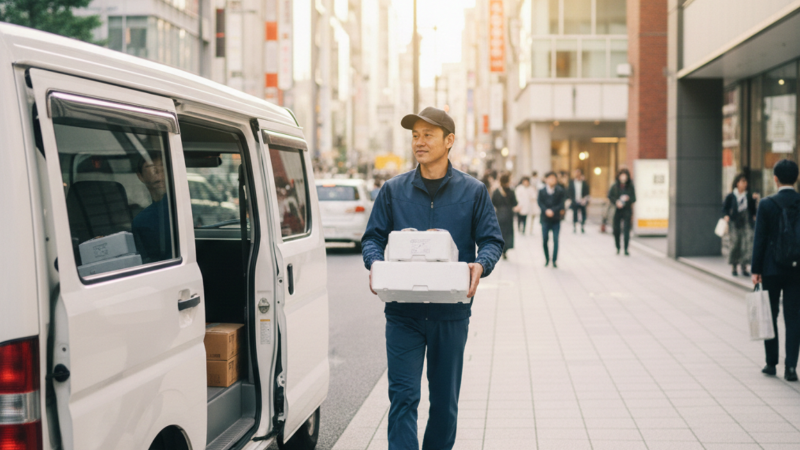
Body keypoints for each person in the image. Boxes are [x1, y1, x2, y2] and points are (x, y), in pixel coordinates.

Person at [361, 106, 504, 449]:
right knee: (403, 397)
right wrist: (375, 263)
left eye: (428, 135)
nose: (419, 142)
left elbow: (492, 240)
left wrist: (480, 265)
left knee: (444, 404)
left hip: (450, 314)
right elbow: (372, 238)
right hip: (403, 313)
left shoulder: (473, 191)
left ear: (449, 140)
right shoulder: (393, 190)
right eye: (415, 135)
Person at [751, 159, 800, 382]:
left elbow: (759, 239)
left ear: (775, 178)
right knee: (794, 317)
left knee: (770, 314)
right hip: (797, 269)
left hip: (771, 268)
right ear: (796, 178)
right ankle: (791, 367)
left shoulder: (766, 204)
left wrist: (755, 269)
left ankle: (771, 364)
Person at [132, 151, 172, 263]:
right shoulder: (141, 221)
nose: (159, 174)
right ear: (140, 176)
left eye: (163, 168)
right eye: (151, 168)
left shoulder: (183, 207)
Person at [722, 174, 758, 276]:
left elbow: (753, 210)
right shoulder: (731, 196)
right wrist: (726, 216)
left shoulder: (748, 196)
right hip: (735, 223)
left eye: (746, 182)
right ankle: (734, 266)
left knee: (746, 244)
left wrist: (754, 215)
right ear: (737, 183)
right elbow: (725, 209)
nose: (745, 184)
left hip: (747, 223)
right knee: (735, 244)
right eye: (743, 181)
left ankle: (744, 266)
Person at [538, 171, 566, 268]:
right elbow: (540, 203)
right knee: (545, 239)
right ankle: (547, 259)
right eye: (550, 178)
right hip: (545, 219)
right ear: (546, 179)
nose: (552, 180)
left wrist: (553, 210)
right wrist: (546, 210)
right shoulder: (541, 191)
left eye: (554, 178)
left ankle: (554, 260)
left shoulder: (560, 190)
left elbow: (562, 204)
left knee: (556, 239)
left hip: (556, 219)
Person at [608, 168, 636, 255]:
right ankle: (618, 247)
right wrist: (616, 202)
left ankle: (626, 249)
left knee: (627, 230)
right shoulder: (615, 186)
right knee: (616, 229)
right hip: (617, 210)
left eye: (625, 176)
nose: (623, 177)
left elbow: (634, 198)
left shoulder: (630, 186)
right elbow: (610, 196)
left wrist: (628, 199)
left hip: (627, 210)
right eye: (622, 175)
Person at [493, 173, 519, 259]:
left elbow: (493, 202)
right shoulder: (511, 191)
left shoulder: (496, 191)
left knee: (501, 232)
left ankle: (500, 248)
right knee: (508, 233)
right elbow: (515, 203)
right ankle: (505, 249)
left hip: (499, 215)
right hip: (508, 215)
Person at [568, 168, 590, 233]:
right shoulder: (572, 182)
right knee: (575, 214)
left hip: (582, 201)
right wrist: (571, 199)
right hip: (575, 201)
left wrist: (584, 199)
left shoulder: (584, 183)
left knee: (583, 214)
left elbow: (587, 192)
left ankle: (582, 226)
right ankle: (574, 226)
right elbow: (569, 192)